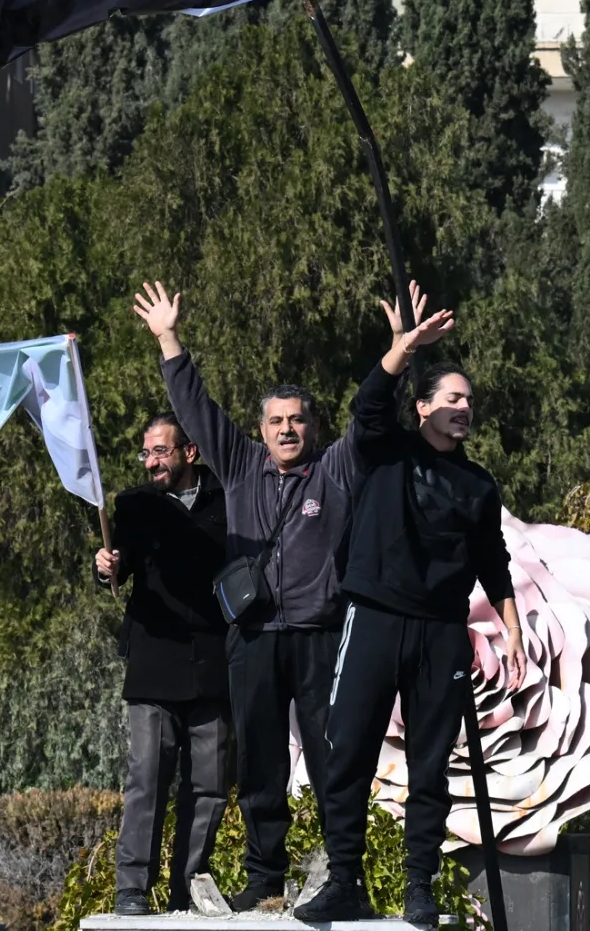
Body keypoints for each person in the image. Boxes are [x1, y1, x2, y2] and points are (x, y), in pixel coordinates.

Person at [131, 281, 364, 912]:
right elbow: (195, 404)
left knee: (330, 759)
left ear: (312, 427)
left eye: (297, 419)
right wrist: (167, 337)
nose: (287, 429)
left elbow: (369, 418)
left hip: (317, 635)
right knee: (260, 765)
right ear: (260, 430)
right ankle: (265, 875)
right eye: (276, 420)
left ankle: (348, 874)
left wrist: (397, 355)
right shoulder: (238, 465)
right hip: (253, 639)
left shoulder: (335, 469)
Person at [299, 288, 525, 929]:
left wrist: (509, 631)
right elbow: (367, 404)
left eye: (469, 401)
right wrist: (405, 348)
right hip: (373, 618)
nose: (463, 408)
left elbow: (494, 563)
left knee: (431, 766)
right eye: (451, 398)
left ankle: (418, 887)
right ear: (422, 406)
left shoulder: (478, 484)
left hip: (440, 634)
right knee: (347, 753)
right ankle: (346, 880)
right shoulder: (385, 451)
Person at [94, 413, 231, 915]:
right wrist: (104, 565)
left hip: (214, 664)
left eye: (161, 451)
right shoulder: (133, 506)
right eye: (146, 453)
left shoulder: (226, 497)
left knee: (210, 785)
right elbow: (118, 564)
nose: (152, 461)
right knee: (147, 777)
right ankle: (132, 888)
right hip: (153, 662)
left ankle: (189, 889)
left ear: (188, 452)